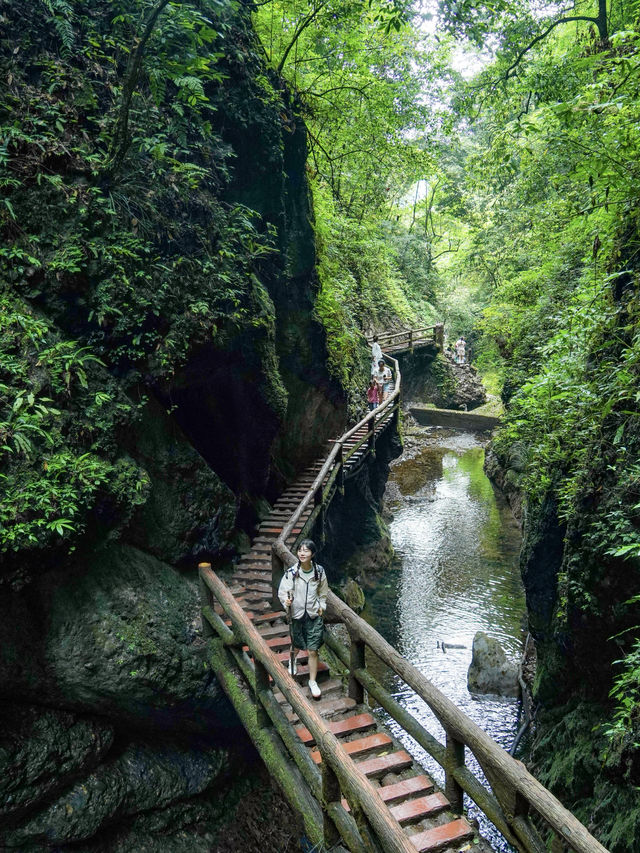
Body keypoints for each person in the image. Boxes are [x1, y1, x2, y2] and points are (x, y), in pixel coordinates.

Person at [278, 539, 328, 699]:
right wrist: (286, 602)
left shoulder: (319, 572)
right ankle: (292, 661)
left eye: (306, 551)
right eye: (300, 550)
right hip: (297, 614)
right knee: (297, 644)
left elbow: (323, 592)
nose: (302, 553)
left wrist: (322, 606)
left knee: (313, 649)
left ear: (312, 554)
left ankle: (312, 681)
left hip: (313, 614)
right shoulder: (292, 573)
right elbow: (283, 591)